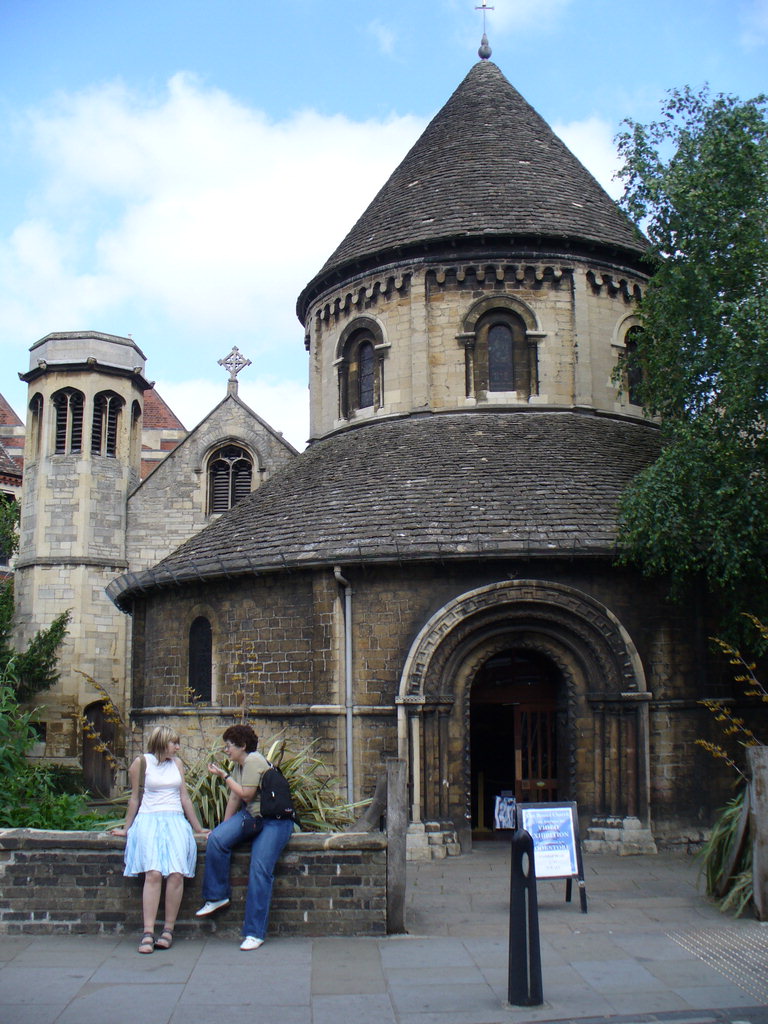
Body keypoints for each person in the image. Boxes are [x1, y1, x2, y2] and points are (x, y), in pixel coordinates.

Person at [195, 724, 294, 950]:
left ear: (242, 746)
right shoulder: (239, 765)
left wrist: (224, 776)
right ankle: (217, 896)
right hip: (253, 816)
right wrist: (222, 829)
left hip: (275, 821)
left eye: (229, 746)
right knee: (217, 840)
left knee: (259, 869)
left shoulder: (253, 761)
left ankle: (254, 932)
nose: (226, 750)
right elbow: (234, 799)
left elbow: (247, 794)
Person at [112, 725, 208, 954]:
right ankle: (148, 932)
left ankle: (168, 930)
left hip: (175, 820)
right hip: (149, 819)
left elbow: (184, 797)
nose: (177, 747)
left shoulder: (177, 764)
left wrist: (198, 828)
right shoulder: (141, 763)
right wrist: (126, 829)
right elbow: (135, 798)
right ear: (162, 742)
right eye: (174, 743)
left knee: (176, 873)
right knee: (153, 873)